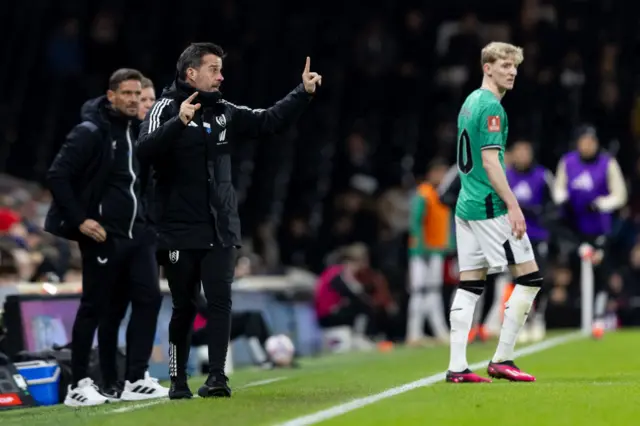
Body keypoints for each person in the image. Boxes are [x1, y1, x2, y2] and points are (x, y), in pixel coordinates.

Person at [137, 42, 321, 399]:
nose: (221, 76)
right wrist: (179, 123)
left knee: (221, 301)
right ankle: (177, 381)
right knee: (184, 305)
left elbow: (269, 120)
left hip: (221, 226)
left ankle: (217, 378)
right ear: (191, 73)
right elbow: (145, 151)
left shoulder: (224, 111)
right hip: (178, 228)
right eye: (214, 69)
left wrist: (303, 93)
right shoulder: (164, 107)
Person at [45, 69, 167, 406]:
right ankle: (78, 384)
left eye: (137, 94)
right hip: (104, 235)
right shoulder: (91, 131)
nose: (133, 100)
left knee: (149, 299)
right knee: (95, 308)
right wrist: (80, 219)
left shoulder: (138, 131)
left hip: (138, 234)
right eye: (126, 94)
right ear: (111, 95)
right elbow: (57, 175)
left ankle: (136, 378)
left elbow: (139, 184)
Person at [447, 42, 541, 384]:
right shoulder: (491, 109)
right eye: (504, 65)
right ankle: (502, 358)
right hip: (489, 206)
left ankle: (457, 366)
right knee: (530, 279)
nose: (511, 71)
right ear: (487, 67)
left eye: (514, 66)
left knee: (470, 284)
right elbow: (489, 161)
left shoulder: (470, 101)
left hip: (465, 204)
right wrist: (513, 205)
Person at [552, 125, 627, 338]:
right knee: (573, 273)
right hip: (575, 230)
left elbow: (620, 194)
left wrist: (601, 203)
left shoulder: (607, 163)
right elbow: (559, 189)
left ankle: (598, 318)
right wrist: (563, 200)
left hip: (599, 229)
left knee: (601, 273)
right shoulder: (567, 162)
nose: (587, 145)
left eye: (591, 141)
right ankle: (577, 317)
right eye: (584, 141)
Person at [406, 158, 454, 345]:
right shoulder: (423, 194)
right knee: (419, 291)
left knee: (433, 290)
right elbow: (415, 223)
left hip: (437, 250)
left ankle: (438, 331)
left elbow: (446, 223)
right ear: (431, 174)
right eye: (439, 173)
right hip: (421, 252)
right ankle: (414, 332)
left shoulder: (442, 194)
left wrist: (449, 244)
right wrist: (419, 248)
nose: (442, 177)